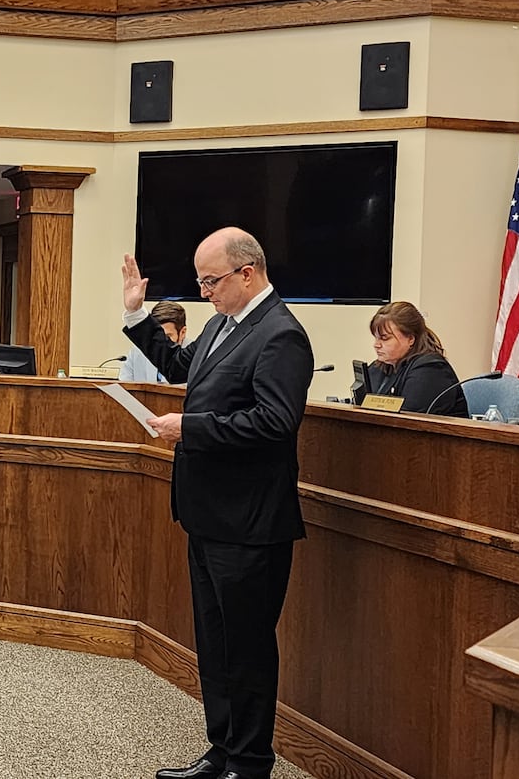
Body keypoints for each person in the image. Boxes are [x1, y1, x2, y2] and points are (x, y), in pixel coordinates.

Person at [122, 228, 313, 779]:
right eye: (201, 281)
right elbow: (184, 370)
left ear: (247, 273)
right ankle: (222, 752)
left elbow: (276, 423)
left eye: (212, 280)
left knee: (246, 650)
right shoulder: (221, 326)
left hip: (251, 522)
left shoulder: (280, 335)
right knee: (215, 644)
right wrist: (137, 316)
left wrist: (191, 428)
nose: (204, 291)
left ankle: (250, 763)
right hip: (208, 514)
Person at [365, 301, 468, 417]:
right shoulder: (379, 367)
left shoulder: (430, 370)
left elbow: (408, 419)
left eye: (385, 339)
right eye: (376, 338)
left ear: (410, 339)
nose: (376, 345)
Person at [120, 301, 188, 384]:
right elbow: (125, 386)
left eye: (168, 336)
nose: (162, 342)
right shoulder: (136, 353)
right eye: (157, 337)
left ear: (183, 333)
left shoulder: (196, 356)